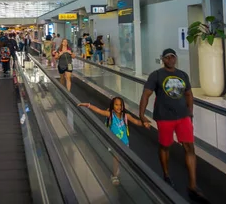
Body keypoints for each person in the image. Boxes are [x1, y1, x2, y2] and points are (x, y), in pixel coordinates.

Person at [139, 49, 207, 202]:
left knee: (190, 147)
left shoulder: (183, 75)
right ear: (163, 59)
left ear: (175, 59)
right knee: (165, 146)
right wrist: (142, 115)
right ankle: (166, 174)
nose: (170, 59)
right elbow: (146, 94)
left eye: (172, 57)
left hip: (183, 117)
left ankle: (193, 185)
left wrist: (190, 113)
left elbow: (189, 94)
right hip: (164, 117)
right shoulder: (156, 75)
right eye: (167, 57)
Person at [78, 97, 147, 185]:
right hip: (114, 143)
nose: (119, 107)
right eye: (116, 105)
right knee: (116, 158)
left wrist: (144, 123)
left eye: (120, 105)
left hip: (125, 142)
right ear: (112, 106)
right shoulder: (110, 115)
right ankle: (114, 175)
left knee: (123, 159)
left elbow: (136, 121)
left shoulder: (126, 116)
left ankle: (118, 169)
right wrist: (87, 105)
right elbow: (98, 110)